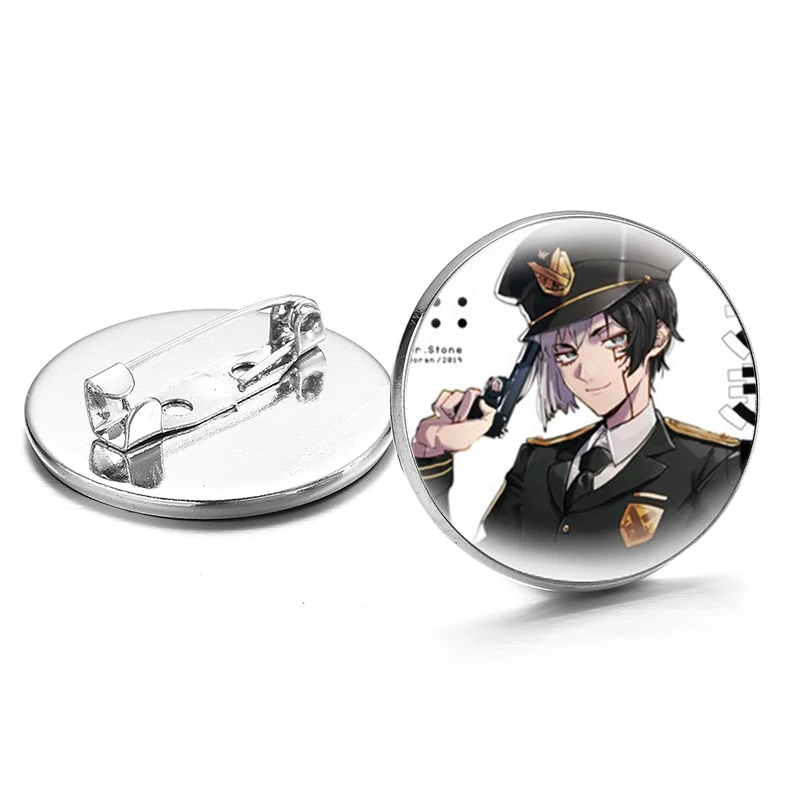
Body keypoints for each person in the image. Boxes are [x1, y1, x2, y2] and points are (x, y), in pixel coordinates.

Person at [412, 220, 744, 578]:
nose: (585, 371)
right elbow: (476, 575)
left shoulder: (714, 467)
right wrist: (432, 456)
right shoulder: (536, 463)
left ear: (657, 337)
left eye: (610, 339)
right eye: (565, 353)